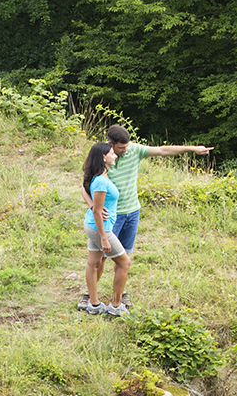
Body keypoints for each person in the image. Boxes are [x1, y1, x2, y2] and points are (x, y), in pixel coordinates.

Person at [80, 123, 212, 304]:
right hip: (111, 217)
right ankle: (90, 296)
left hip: (132, 212)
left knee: (123, 257)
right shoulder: (103, 156)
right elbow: (85, 186)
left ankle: (118, 295)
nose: (125, 150)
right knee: (100, 260)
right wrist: (92, 206)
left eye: (127, 146)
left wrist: (192, 149)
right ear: (111, 144)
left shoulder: (134, 150)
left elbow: (163, 150)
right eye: (121, 148)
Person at [80, 140, 130, 318]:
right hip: (101, 229)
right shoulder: (101, 181)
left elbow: (92, 203)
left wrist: (93, 206)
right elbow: (97, 212)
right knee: (124, 263)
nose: (115, 155)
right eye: (112, 153)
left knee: (93, 263)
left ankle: (94, 305)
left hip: (94, 226)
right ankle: (115, 306)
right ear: (103, 157)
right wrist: (103, 238)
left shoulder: (101, 175)